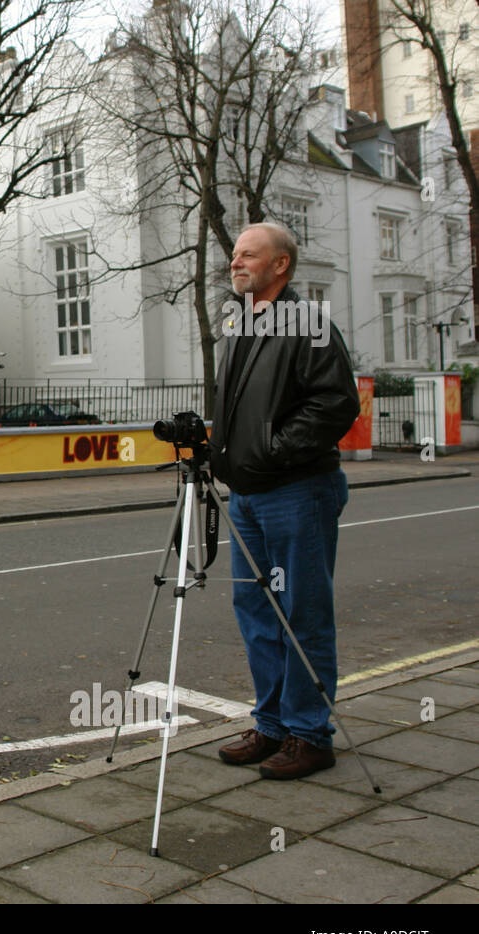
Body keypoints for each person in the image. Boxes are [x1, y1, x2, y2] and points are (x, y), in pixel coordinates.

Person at [209, 222, 361, 780]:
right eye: (234, 255)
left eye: (249, 254)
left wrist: (271, 452)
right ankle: (271, 726)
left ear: (281, 266)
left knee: (302, 614)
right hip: (248, 496)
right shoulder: (240, 324)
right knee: (258, 614)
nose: (235, 262)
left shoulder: (310, 325)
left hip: (297, 491)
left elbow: (335, 404)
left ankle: (309, 735)